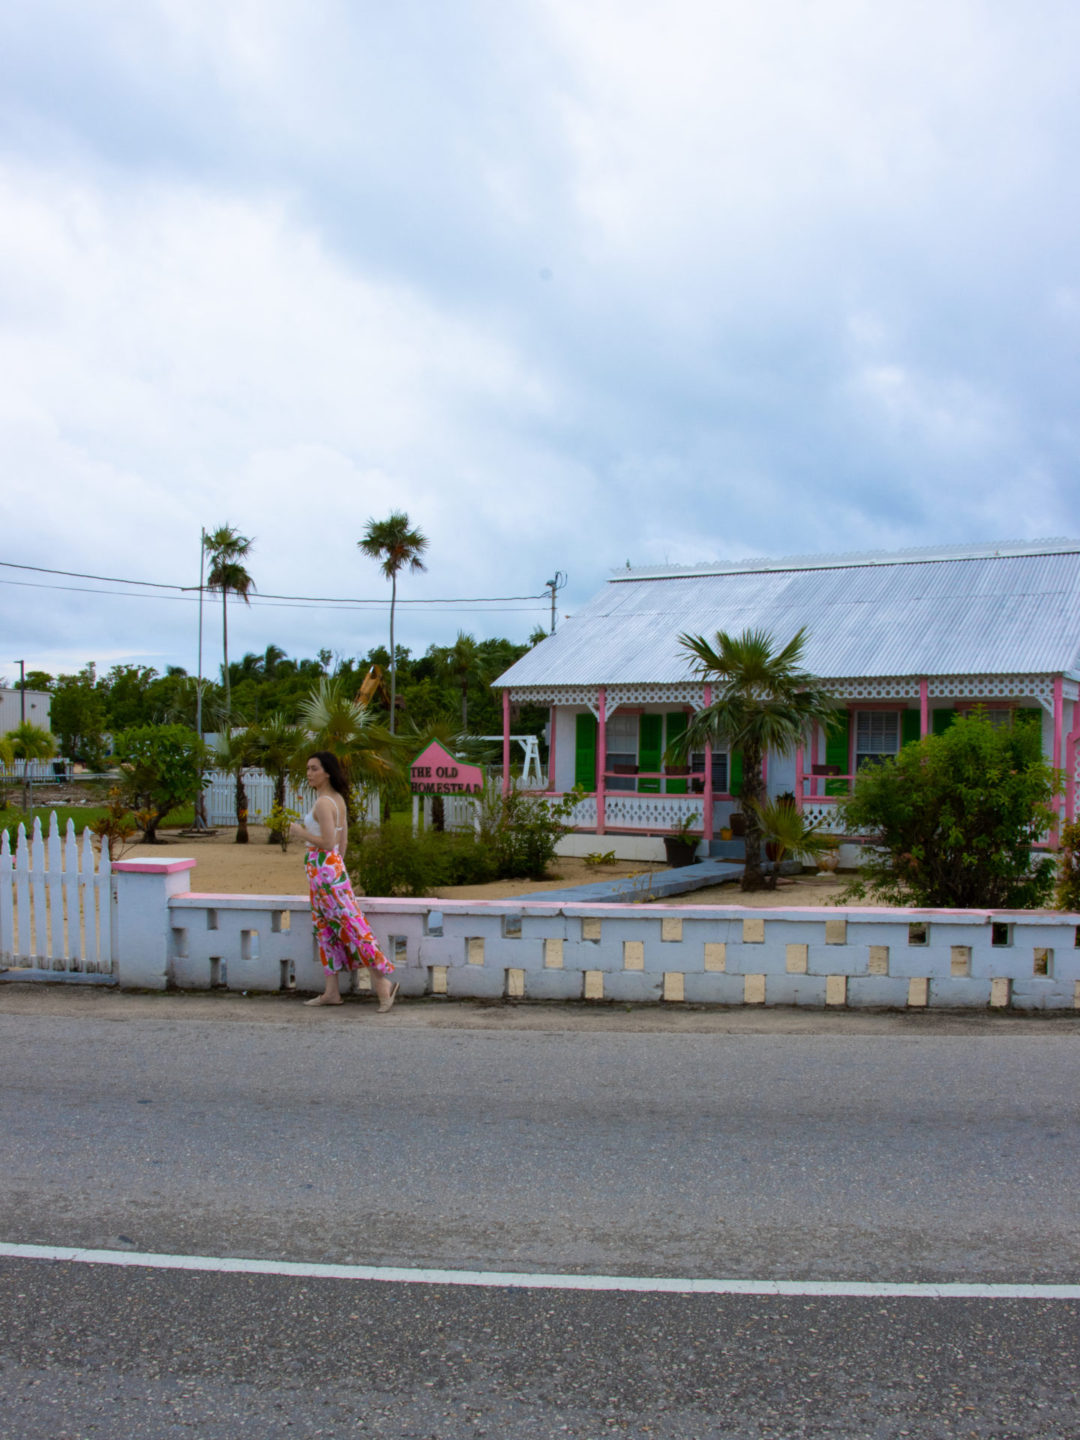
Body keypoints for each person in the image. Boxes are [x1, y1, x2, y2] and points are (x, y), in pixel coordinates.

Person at [291, 751, 398, 1011]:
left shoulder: (324, 803)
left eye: (314, 768)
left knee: (350, 925)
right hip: (330, 870)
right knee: (325, 928)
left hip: (324, 869)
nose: (309, 773)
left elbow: (328, 843)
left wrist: (300, 832)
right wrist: (337, 869)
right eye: (307, 768)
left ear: (327, 772)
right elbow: (343, 843)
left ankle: (382, 983)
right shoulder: (337, 800)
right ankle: (331, 992)